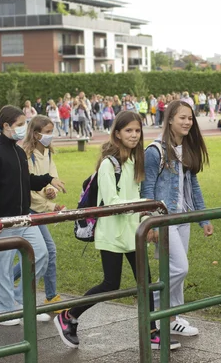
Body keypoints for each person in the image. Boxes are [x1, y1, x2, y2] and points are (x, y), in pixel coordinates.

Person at [54, 111, 179, 350]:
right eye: (128, 131)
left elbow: (135, 195)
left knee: (146, 280)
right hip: (112, 232)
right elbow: (111, 202)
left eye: (137, 130)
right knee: (111, 283)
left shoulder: (135, 160)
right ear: (118, 134)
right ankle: (68, 315)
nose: (133, 135)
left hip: (133, 231)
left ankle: (150, 331)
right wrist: (139, 208)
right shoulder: (108, 164)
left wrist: (145, 213)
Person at [0, 105, 66, 325]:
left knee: (41, 255)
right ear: (6, 126)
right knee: (1, 266)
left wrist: (48, 179)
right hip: (3, 221)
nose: (23, 128)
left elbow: (26, 182)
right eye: (19, 125)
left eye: (24, 123)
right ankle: (1, 309)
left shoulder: (18, 152)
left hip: (24, 217)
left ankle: (20, 302)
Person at [141, 100, 213, 337]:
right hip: (163, 219)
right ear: (170, 119)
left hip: (183, 217)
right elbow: (147, 188)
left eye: (190, 118)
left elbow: (193, 186)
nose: (187, 122)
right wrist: (149, 220)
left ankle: (172, 318)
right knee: (180, 268)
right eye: (182, 117)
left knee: (173, 270)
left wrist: (203, 219)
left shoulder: (186, 149)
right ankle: (154, 306)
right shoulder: (155, 151)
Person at [11, 116, 65, 309]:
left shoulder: (48, 153)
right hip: (30, 209)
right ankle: (50, 296)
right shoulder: (27, 154)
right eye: (47, 132)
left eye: (52, 131)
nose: (50, 135)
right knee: (46, 251)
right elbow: (29, 187)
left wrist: (53, 192)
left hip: (41, 208)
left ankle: (8, 281)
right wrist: (50, 204)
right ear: (35, 133)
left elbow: (52, 179)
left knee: (41, 253)